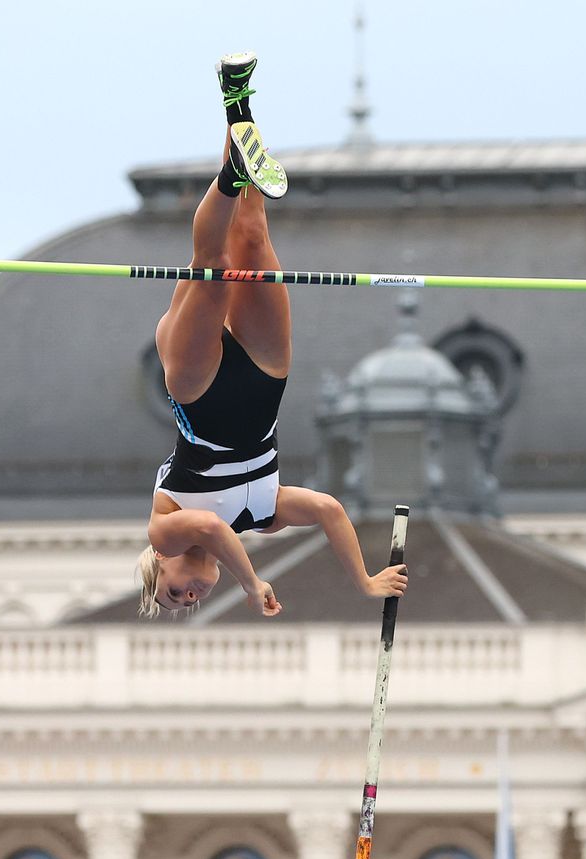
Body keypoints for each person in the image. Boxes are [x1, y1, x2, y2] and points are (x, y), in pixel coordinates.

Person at [137, 52, 408, 619]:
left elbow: (210, 525)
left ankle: (231, 176)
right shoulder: (264, 515)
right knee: (254, 241)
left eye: (172, 593)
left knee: (211, 266)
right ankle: (238, 106)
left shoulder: (164, 532)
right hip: (265, 383)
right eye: (189, 602)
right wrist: (363, 582)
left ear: (159, 568)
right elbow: (331, 509)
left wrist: (251, 582)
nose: (189, 595)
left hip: (197, 388)